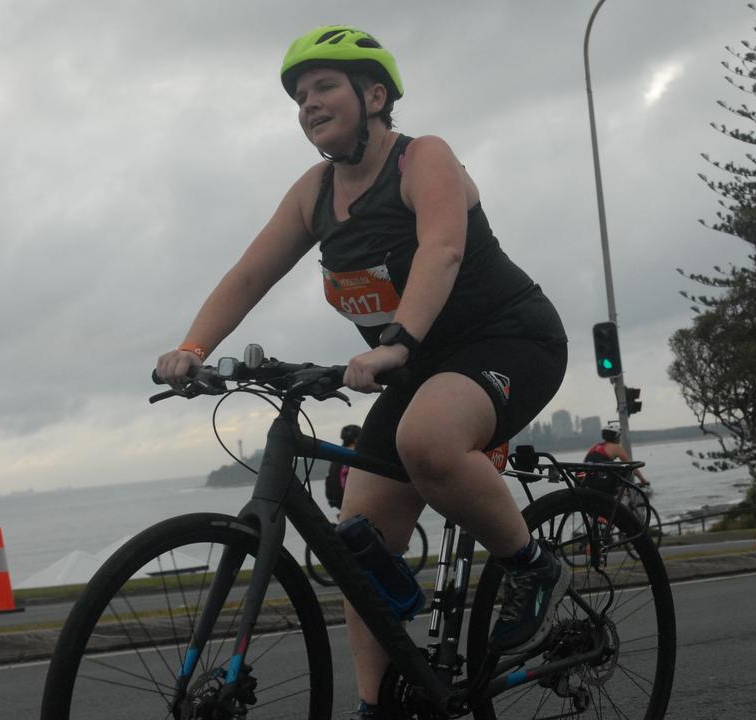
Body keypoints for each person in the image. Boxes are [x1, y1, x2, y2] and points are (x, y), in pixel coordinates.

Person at [155, 25, 569, 716]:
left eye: (323, 86)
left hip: (506, 339)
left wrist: (396, 340)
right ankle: (381, 706)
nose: (307, 102)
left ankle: (531, 566)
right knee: (358, 555)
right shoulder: (314, 192)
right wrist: (194, 349)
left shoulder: (422, 158)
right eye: (298, 95)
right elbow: (250, 272)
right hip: (414, 367)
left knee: (428, 442)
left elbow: (440, 250)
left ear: (373, 95)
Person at [582, 421, 651, 493]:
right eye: (619, 436)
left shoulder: (596, 446)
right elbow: (632, 466)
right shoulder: (616, 447)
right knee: (625, 470)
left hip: (586, 480)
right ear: (616, 437)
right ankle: (620, 493)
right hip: (600, 482)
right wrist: (643, 481)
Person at [324, 424, 361, 511]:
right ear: (356, 439)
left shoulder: (338, 455)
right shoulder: (352, 455)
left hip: (335, 499)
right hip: (347, 501)